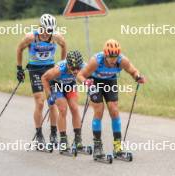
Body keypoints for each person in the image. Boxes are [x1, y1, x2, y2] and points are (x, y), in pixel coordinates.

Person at [77, 39, 146, 159]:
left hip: (110, 81)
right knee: (99, 110)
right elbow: (80, 75)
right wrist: (86, 82)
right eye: (111, 57)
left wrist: (138, 77)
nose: (113, 60)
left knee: (114, 111)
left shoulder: (122, 61)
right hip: (94, 82)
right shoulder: (96, 61)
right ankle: (97, 147)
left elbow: (133, 71)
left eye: (116, 56)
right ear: (105, 54)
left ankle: (117, 147)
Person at [16, 14, 67, 148]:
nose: (47, 33)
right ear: (40, 27)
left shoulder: (56, 37)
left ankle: (54, 133)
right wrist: (19, 69)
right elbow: (19, 49)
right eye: (45, 30)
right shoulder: (31, 37)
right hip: (35, 70)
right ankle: (39, 135)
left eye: (50, 30)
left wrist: (61, 65)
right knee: (40, 102)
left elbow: (64, 45)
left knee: (52, 102)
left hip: (50, 69)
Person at [41, 50, 85, 151]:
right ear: (67, 64)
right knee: (63, 109)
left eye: (78, 68)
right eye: (73, 68)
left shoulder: (84, 66)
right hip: (56, 84)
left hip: (70, 84)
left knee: (74, 108)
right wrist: (49, 96)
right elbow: (44, 78)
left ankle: (78, 139)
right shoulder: (59, 69)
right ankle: (63, 140)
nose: (76, 71)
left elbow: (92, 75)